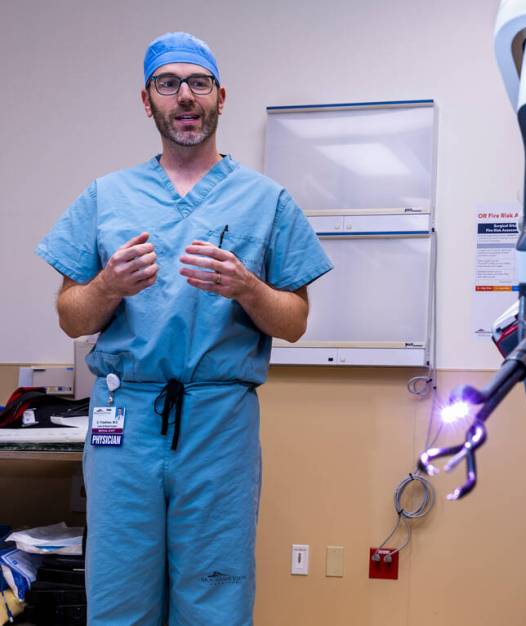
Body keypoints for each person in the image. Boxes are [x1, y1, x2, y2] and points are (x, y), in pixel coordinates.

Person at [35, 32, 332, 625]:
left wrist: (248, 288)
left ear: (221, 96)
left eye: (198, 83)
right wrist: (107, 287)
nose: (185, 97)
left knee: (215, 593)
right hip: (127, 421)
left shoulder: (265, 201)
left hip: (219, 421)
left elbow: (295, 321)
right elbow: (71, 315)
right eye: (168, 84)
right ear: (147, 101)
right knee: (120, 592)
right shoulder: (107, 197)